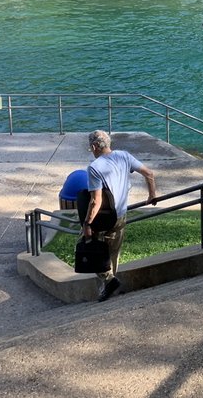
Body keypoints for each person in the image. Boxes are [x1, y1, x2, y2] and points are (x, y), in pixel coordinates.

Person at [82, 129, 157, 302]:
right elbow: (149, 173)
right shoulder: (124, 156)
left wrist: (87, 224)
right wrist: (152, 195)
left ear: (94, 147)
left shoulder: (94, 168)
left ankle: (109, 281)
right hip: (121, 215)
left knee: (86, 247)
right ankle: (108, 289)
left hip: (102, 218)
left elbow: (95, 201)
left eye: (91, 149)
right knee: (113, 252)